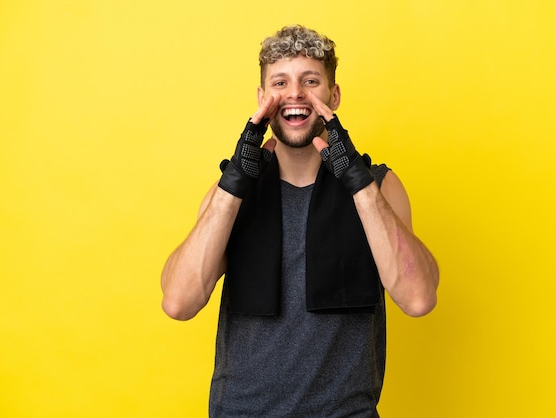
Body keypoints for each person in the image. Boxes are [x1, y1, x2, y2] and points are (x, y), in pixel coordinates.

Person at [161, 24, 439, 417]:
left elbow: (418, 298)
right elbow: (178, 302)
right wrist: (237, 179)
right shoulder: (229, 194)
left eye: (310, 81)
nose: (294, 94)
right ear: (262, 98)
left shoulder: (379, 186)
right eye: (280, 83)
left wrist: (356, 180)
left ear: (334, 95)